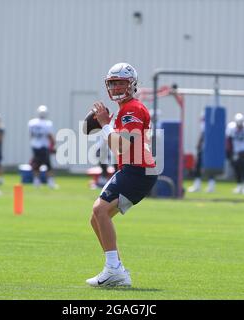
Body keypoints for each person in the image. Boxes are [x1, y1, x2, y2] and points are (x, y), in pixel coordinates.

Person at [86, 63, 158, 287]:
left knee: (100, 211)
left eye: (121, 82)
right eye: (113, 82)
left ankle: (114, 270)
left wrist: (106, 124)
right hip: (131, 169)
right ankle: (116, 269)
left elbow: (122, 145)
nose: (117, 87)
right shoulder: (125, 110)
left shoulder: (133, 109)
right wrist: (99, 123)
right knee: (96, 217)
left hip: (138, 170)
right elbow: (96, 134)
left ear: (132, 84)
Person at [226, 113, 244, 194]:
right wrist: (229, 152)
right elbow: (229, 140)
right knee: (237, 169)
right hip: (236, 151)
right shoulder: (231, 127)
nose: (239, 126)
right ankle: (239, 186)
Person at [28, 105, 57, 189]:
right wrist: (53, 145)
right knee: (48, 165)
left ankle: (36, 182)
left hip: (34, 146)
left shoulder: (32, 123)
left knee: (36, 165)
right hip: (44, 146)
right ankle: (50, 182)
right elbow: (50, 136)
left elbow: (31, 135)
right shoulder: (47, 124)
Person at [188, 111, 216, 193]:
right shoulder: (212, 125)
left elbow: (203, 135)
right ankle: (210, 185)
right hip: (209, 149)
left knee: (199, 166)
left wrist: (198, 144)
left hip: (205, 149)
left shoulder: (206, 125)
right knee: (206, 167)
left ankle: (199, 185)